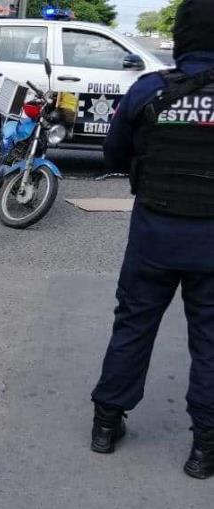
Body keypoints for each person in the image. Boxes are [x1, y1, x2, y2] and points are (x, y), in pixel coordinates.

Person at [90, 0, 214, 480]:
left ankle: (105, 425)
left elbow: (113, 154)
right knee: (209, 343)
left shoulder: (149, 91)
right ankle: (204, 449)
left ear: (181, 37)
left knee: (133, 327)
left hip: (153, 237)